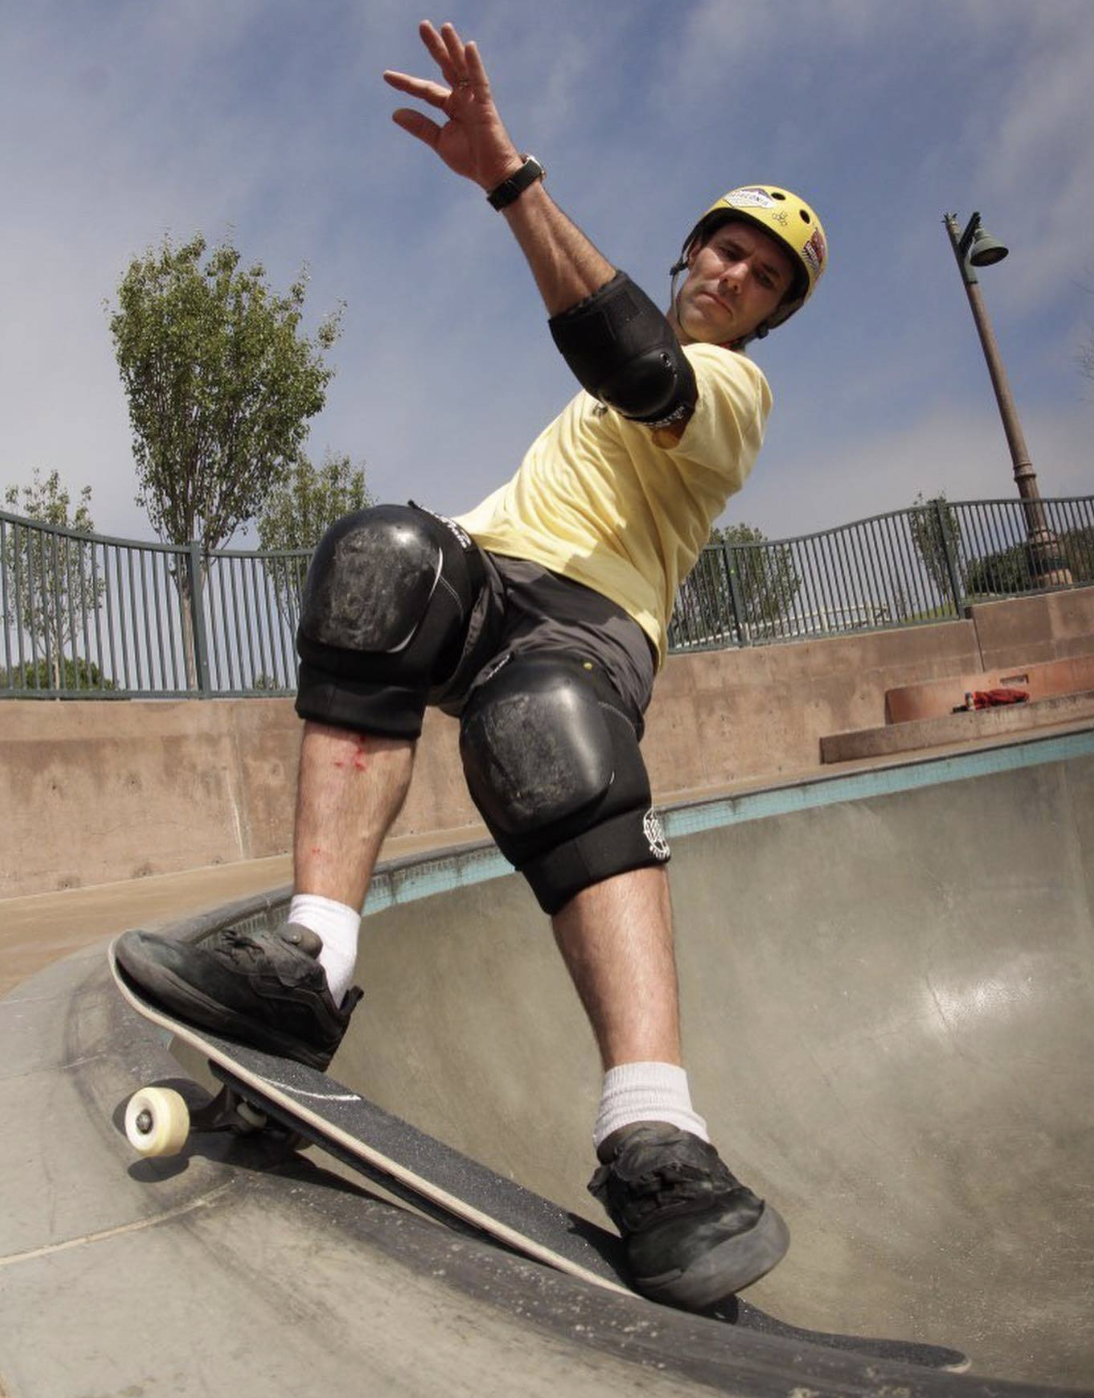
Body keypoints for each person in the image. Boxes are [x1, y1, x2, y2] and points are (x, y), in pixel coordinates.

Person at [117, 20, 827, 1313]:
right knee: (379, 557)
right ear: (691, 250)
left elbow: (636, 361)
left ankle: (657, 1133)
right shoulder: (623, 372)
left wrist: (508, 176)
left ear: (773, 315)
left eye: (764, 276)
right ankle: (310, 964)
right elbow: (602, 353)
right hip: (491, 578)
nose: (735, 274)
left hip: (589, 626)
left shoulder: (730, 395)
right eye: (725, 247)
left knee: (546, 729)